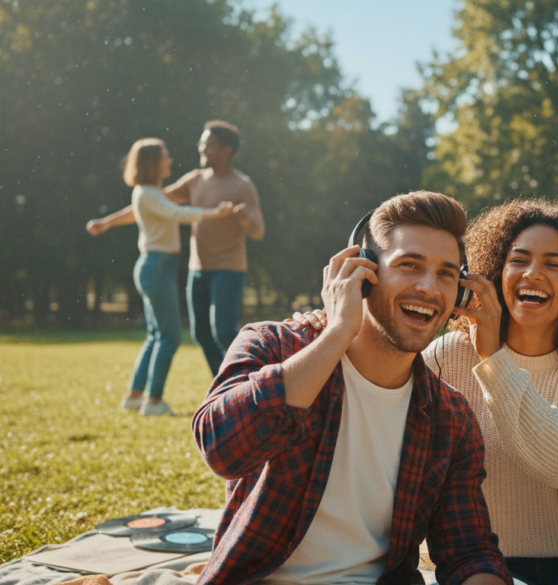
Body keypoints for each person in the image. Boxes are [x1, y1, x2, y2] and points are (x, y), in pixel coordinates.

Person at [297, 199, 558, 585]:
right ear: (494, 270)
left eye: (553, 264)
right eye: (519, 259)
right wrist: (327, 325)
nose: (532, 273)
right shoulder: (446, 355)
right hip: (475, 557)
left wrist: (493, 358)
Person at [191, 192, 511, 585]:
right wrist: (339, 330)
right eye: (410, 265)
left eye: (447, 274)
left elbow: (469, 552)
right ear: (362, 272)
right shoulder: (271, 345)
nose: (429, 288)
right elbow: (222, 450)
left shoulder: (451, 418)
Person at [87, 121, 264, 376]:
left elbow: (259, 231)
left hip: (228, 268)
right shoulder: (194, 179)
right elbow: (151, 204)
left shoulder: (243, 185)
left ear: (226, 149)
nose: (202, 149)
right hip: (198, 269)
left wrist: (247, 221)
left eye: (208, 145)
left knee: (223, 331)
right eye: (202, 144)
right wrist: (107, 223)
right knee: (200, 333)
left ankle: (256, 376)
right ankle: (227, 384)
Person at [86, 138, 238, 415]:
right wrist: (217, 213)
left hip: (153, 266)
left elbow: (139, 213)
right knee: (169, 336)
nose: (170, 160)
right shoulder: (149, 194)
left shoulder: (148, 193)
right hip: (157, 267)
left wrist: (106, 222)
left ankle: (134, 396)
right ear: (154, 162)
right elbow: (177, 213)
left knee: (156, 334)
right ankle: (153, 402)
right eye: (165, 156)